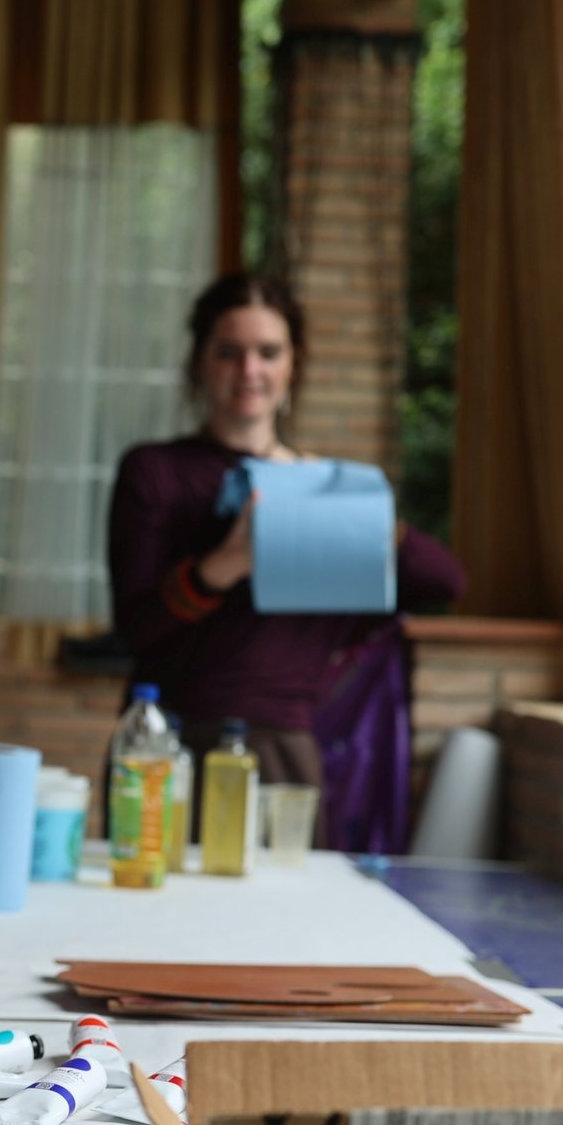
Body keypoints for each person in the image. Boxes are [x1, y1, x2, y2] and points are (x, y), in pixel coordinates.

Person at [106, 272, 466, 828]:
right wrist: (226, 563)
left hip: (283, 751)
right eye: (230, 352)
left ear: (294, 364)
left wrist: (348, 507)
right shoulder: (155, 472)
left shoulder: (324, 489)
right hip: (166, 743)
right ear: (201, 361)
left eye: (268, 353)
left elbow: (443, 581)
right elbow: (136, 626)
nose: (249, 371)